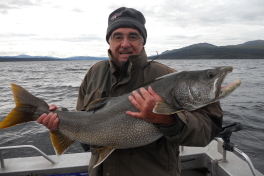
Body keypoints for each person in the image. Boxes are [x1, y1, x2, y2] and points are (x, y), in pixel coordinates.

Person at [37, 7, 223, 176]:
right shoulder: (94, 73)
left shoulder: (170, 76)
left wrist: (167, 120)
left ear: (143, 41)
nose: (125, 44)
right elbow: (86, 128)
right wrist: (61, 122)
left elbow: (207, 132)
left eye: (133, 37)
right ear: (109, 41)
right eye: (118, 37)